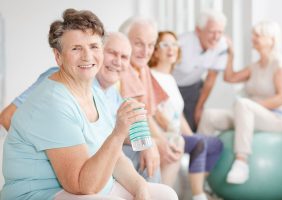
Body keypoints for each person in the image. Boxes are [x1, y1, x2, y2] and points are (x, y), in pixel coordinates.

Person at [0, 9, 178, 200]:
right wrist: (118, 132)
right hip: (44, 193)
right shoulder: (52, 103)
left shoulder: (94, 92)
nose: (87, 56)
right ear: (58, 56)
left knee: (165, 195)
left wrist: (140, 186)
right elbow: (82, 186)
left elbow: (114, 156)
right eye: (76, 48)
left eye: (94, 46)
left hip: (92, 186)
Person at [198, 21, 282, 184]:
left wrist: (253, 106)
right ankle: (200, 167)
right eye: (253, 34)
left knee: (243, 104)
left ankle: (242, 162)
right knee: (209, 115)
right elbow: (230, 78)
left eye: (258, 35)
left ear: (271, 39)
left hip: (275, 119)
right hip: (248, 115)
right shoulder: (254, 66)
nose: (253, 38)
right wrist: (231, 55)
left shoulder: (280, 63)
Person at [148, 31, 223, 200]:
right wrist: (193, 140)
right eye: (165, 44)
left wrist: (192, 136)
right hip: (164, 135)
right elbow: (153, 112)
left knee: (216, 144)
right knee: (199, 143)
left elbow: (179, 115)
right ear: (155, 51)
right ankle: (198, 195)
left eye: (174, 44)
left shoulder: (170, 79)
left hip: (177, 132)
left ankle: (195, 184)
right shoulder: (150, 75)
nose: (171, 48)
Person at [118, 17, 171, 183]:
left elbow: (146, 115)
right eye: (139, 43)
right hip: (117, 141)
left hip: (130, 137)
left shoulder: (144, 70)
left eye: (151, 45)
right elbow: (114, 126)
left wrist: (161, 141)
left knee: (167, 146)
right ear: (124, 42)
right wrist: (148, 143)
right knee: (150, 158)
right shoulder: (117, 70)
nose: (145, 51)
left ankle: (165, 193)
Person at [172, 9, 228, 132]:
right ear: (198, 30)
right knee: (174, 125)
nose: (216, 37)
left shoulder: (222, 45)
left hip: (193, 87)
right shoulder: (181, 43)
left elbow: (211, 78)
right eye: (212, 32)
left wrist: (199, 107)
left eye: (220, 32)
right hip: (172, 86)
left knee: (193, 125)